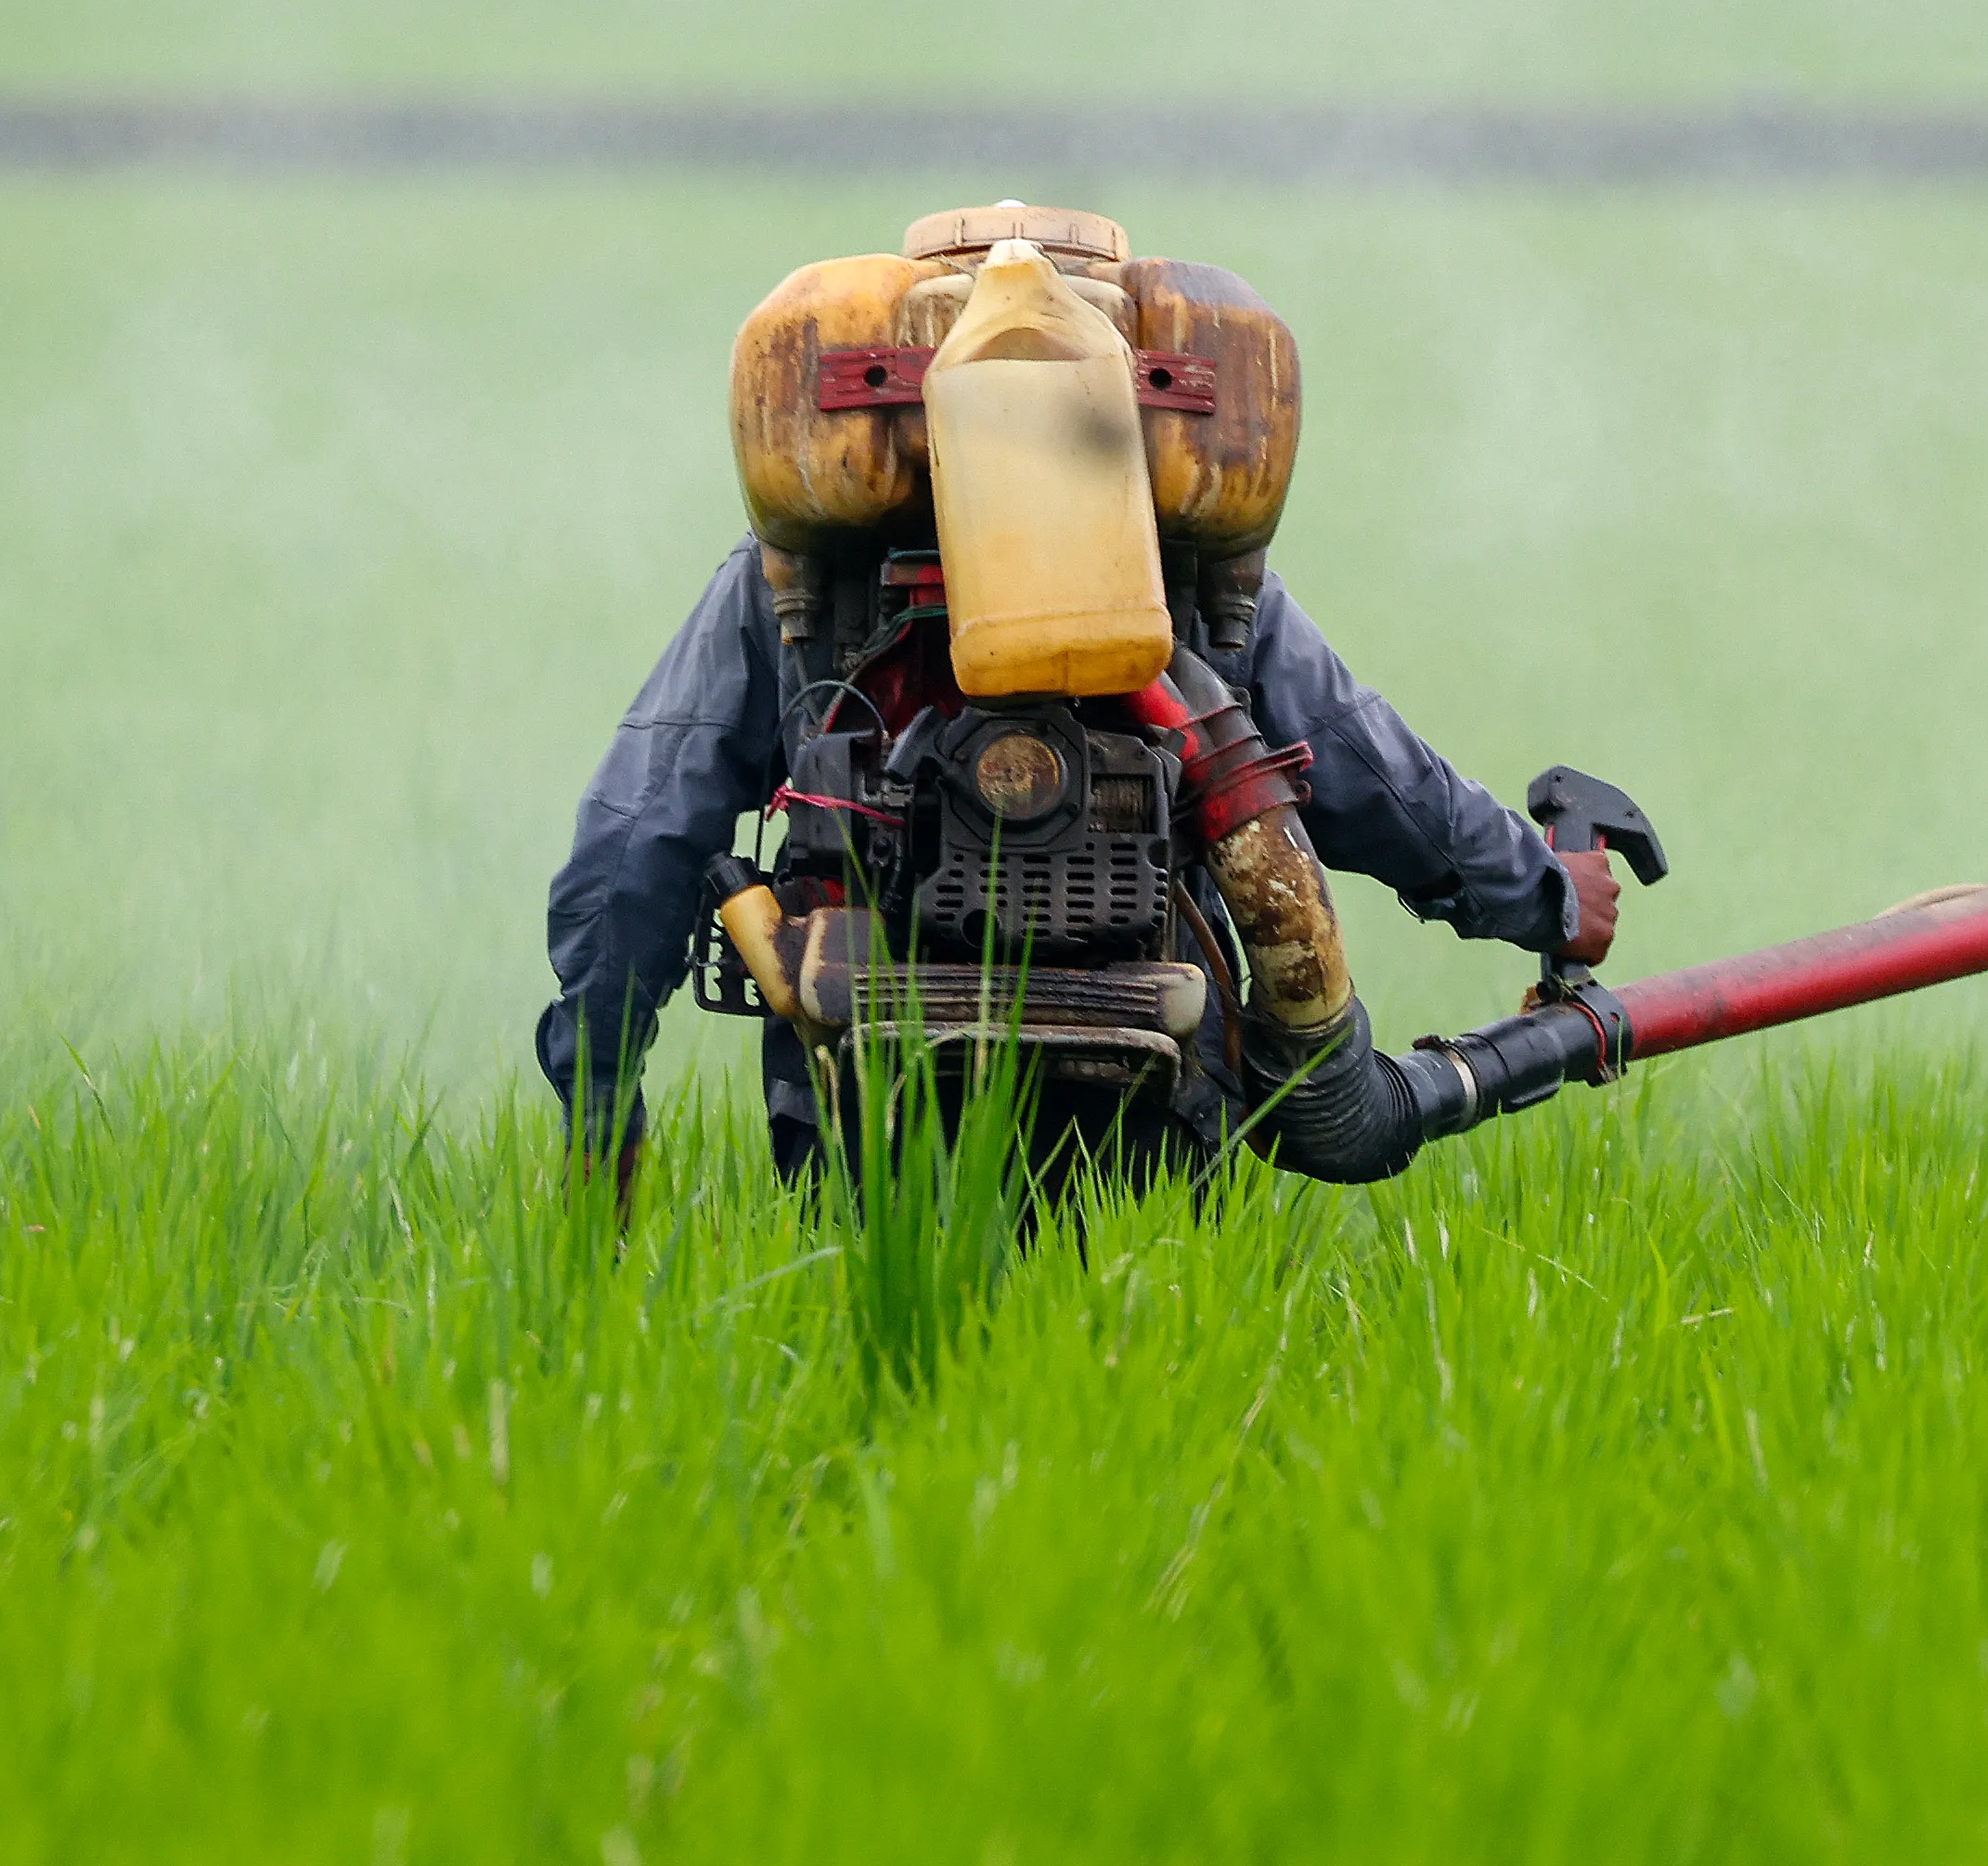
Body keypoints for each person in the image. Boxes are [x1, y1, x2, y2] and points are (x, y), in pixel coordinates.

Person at [536, 202, 1623, 1200]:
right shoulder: (1195, 577)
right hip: (1160, 1081)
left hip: (859, 1096)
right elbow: (1375, 779)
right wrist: (1550, 896)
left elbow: (631, 841)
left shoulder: (795, 578)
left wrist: (598, 1098)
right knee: (1138, 1328)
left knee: (882, 1330)